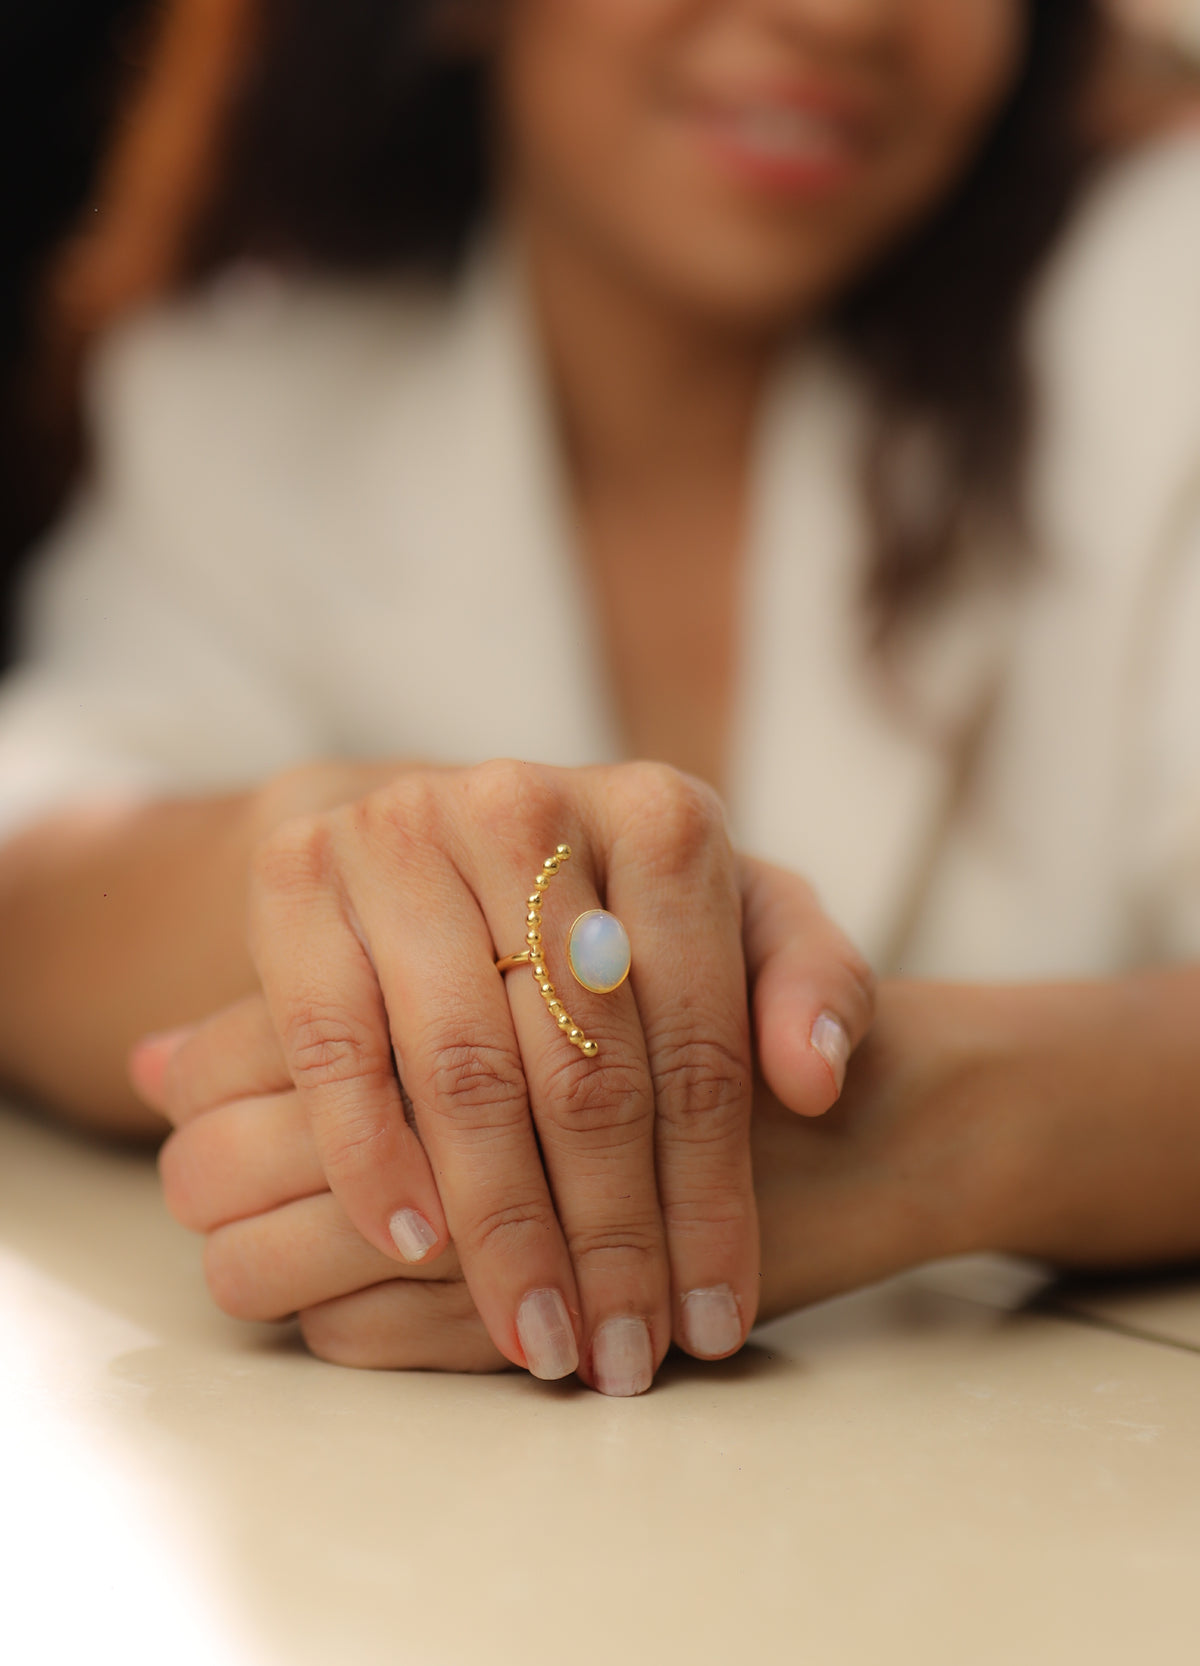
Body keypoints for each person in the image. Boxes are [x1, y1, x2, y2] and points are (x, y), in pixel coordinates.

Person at [2, 0, 1199, 1396]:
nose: (842, 14)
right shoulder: (247, 399)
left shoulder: (1165, 307)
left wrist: (889, 1127)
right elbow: (36, 846)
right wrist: (339, 879)